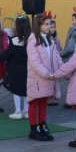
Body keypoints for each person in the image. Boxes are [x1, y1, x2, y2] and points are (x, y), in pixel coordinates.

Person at [26, 13, 63, 141]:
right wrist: (47, 74)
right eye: (46, 24)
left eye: (49, 24)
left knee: (43, 102)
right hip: (37, 79)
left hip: (48, 78)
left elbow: (57, 59)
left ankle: (42, 125)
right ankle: (33, 128)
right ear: (38, 25)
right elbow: (35, 63)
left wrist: (64, 71)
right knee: (34, 102)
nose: (48, 27)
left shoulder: (50, 41)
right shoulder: (33, 42)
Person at [0, 16, 30, 119]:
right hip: (28, 70)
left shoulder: (14, 40)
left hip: (15, 71)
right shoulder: (31, 40)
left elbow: (7, 54)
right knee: (27, 91)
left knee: (16, 91)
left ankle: (18, 112)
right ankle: (26, 112)